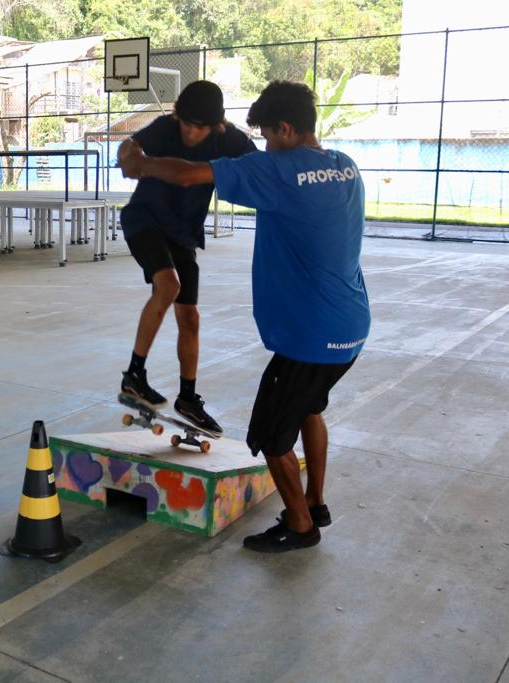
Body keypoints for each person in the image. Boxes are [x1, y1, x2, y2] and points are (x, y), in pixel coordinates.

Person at [118, 80, 370, 553]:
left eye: (271, 137)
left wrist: (141, 165)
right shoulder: (346, 167)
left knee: (272, 436)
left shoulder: (280, 170)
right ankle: (315, 502)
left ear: (288, 130)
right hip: (350, 327)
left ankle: (300, 526)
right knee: (311, 410)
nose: (267, 147)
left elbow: (193, 176)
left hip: (309, 336)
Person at [117, 80, 257, 436]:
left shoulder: (229, 140)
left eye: (201, 127)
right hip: (144, 219)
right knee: (168, 286)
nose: (192, 133)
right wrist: (127, 154)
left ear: (216, 125)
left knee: (190, 318)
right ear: (178, 117)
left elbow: (262, 165)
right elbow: (131, 145)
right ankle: (134, 375)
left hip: (182, 233)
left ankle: (188, 397)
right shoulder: (165, 128)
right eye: (187, 124)